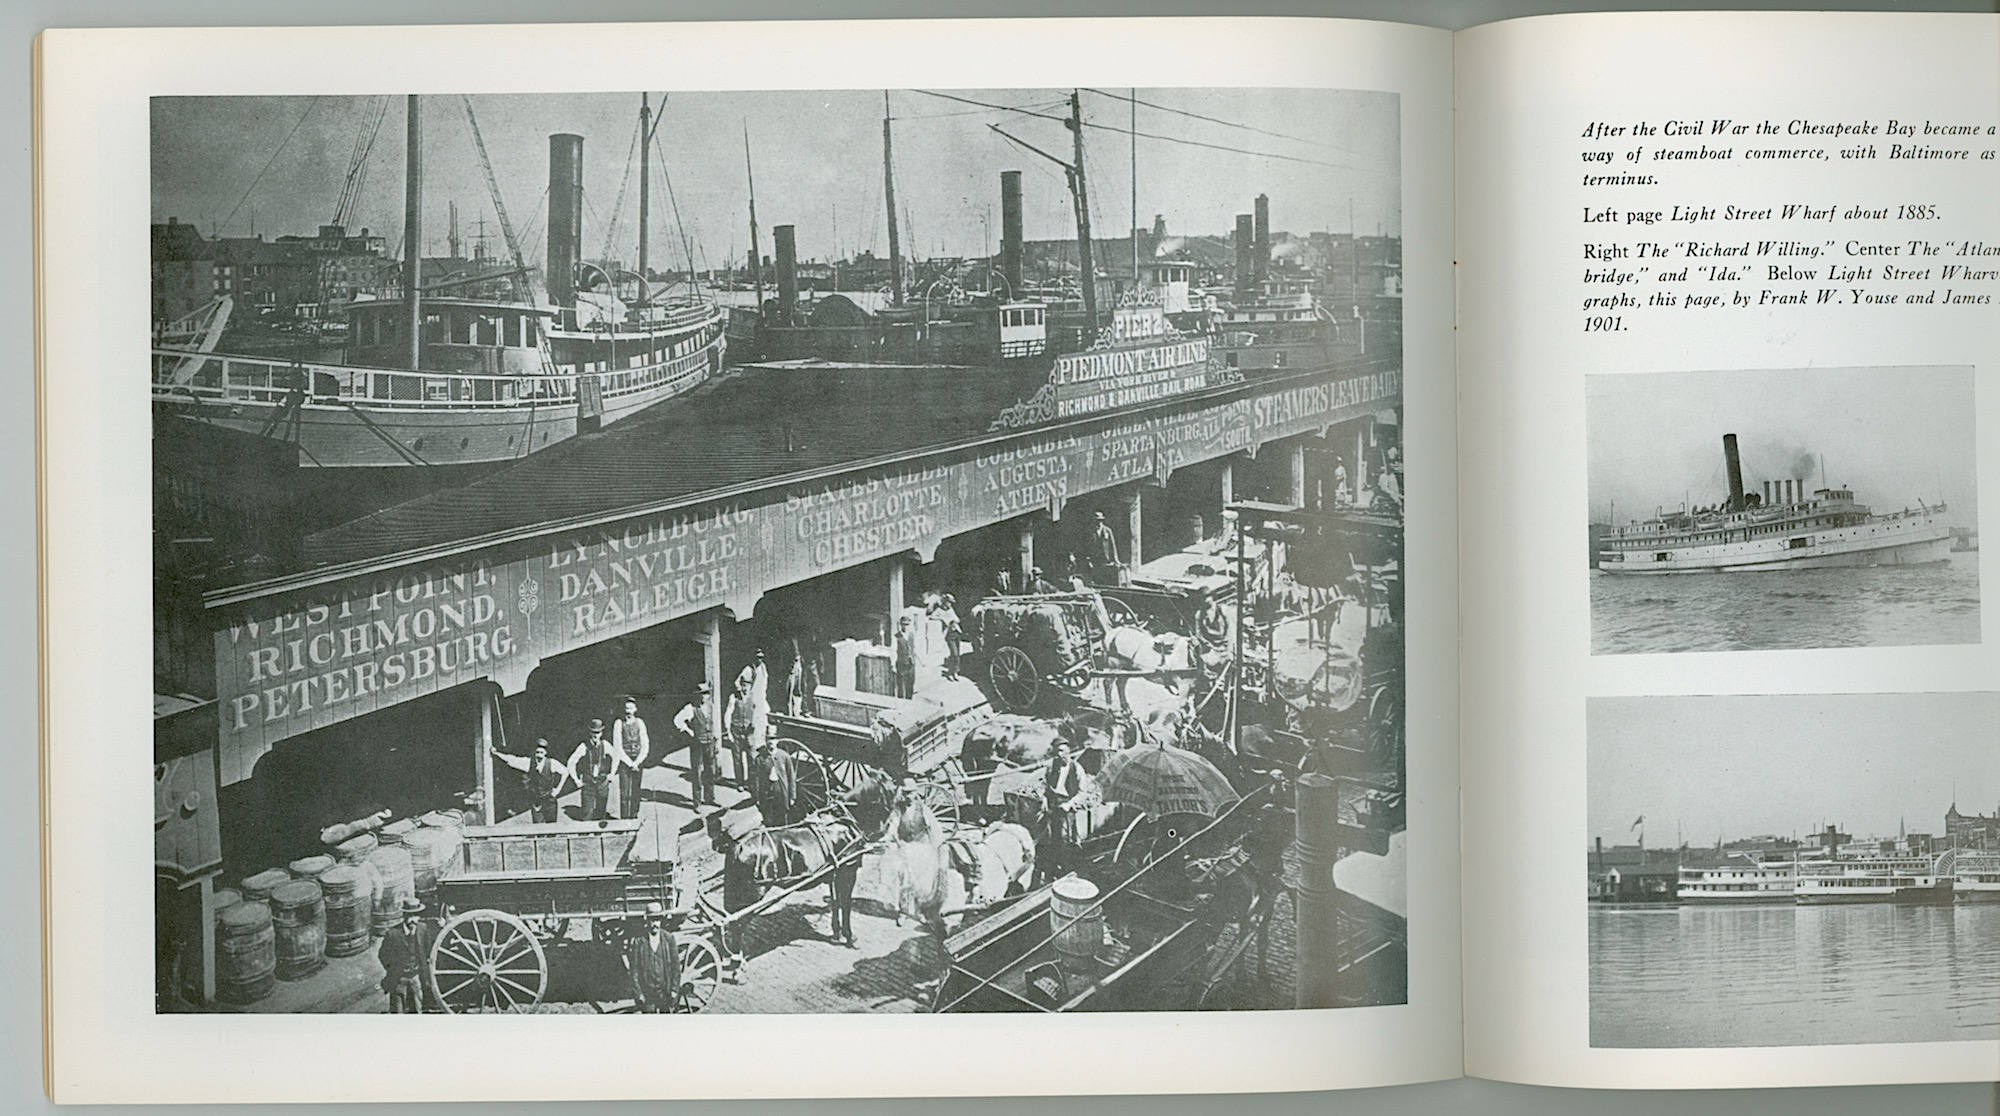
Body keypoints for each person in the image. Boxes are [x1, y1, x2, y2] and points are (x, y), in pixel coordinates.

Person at [1042, 735, 1093, 881]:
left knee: (1066, 838)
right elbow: (1045, 785)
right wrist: (1045, 799)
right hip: (1053, 803)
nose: (1059, 755)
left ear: (1068, 751)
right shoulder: (1052, 766)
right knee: (1050, 837)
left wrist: (1069, 805)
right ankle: (1051, 867)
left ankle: (1067, 869)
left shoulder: (1076, 768)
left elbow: (1083, 792)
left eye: (1061, 751)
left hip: (1067, 804)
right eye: (1056, 752)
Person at [489, 738, 569, 823]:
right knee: (537, 827)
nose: (539, 755)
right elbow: (512, 759)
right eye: (537, 752)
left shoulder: (552, 763)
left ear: (545, 753)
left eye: (541, 752)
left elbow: (565, 772)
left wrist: (558, 790)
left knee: (551, 826)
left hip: (549, 800)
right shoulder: (529, 763)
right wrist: (496, 753)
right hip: (537, 802)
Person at [377, 896, 432, 1013]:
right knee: (398, 1011)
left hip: (416, 978)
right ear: (404, 916)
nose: (413, 920)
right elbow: (383, 955)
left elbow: (428, 949)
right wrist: (394, 970)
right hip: (399, 979)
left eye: (416, 915)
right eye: (410, 916)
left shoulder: (422, 929)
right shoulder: (393, 934)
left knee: (417, 1009)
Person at [625, 903, 682, 1014]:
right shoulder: (639, 942)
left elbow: (676, 967)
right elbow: (633, 971)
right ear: (646, 920)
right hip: (647, 996)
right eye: (651, 920)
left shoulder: (669, 939)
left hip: (665, 993)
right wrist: (639, 993)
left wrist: (674, 990)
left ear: (661, 920)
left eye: (657, 920)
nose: (654, 924)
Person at [673, 681, 721, 809]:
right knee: (696, 772)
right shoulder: (690, 708)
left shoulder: (711, 707)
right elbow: (677, 720)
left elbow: (715, 723)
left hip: (709, 742)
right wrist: (689, 731)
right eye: (701, 694)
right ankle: (697, 802)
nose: (704, 696)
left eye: (706, 694)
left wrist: (716, 738)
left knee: (710, 770)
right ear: (697, 695)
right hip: (697, 743)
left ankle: (710, 798)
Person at [610, 696, 650, 821]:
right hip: (625, 762)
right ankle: (625, 819)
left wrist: (637, 762)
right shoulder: (618, 723)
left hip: (638, 761)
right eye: (626, 708)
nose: (628, 711)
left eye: (631, 708)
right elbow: (617, 746)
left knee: (636, 790)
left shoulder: (640, 723)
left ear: (635, 709)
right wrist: (629, 763)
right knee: (625, 791)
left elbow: (645, 744)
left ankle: (634, 816)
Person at [568, 718, 615, 821]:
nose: (595, 735)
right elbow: (571, 762)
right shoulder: (583, 746)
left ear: (601, 733)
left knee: (601, 813)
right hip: (588, 784)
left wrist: (612, 774)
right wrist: (576, 780)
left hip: (602, 782)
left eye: (598, 733)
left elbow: (616, 757)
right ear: (590, 732)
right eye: (593, 732)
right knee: (586, 814)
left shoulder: (605, 745)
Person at [725, 668, 763, 786]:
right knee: (737, 759)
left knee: (751, 758)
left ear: (751, 686)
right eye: (743, 685)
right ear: (740, 686)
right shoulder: (734, 697)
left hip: (749, 732)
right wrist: (728, 732)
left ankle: (751, 783)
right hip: (736, 731)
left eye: (747, 685)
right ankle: (740, 783)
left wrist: (756, 724)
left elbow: (760, 712)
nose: (745, 688)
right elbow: (728, 714)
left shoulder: (754, 698)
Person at [751, 739, 799, 826]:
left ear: (777, 741)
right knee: (767, 815)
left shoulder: (784, 756)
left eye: (773, 739)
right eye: (769, 739)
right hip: (766, 791)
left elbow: (791, 777)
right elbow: (756, 779)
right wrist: (757, 797)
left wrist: (792, 796)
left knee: (781, 815)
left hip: (780, 789)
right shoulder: (760, 758)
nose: (771, 742)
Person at [931, 593, 963, 679]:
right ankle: (950, 672)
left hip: (957, 632)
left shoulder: (951, 609)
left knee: (957, 654)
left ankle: (955, 672)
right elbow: (932, 616)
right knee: (954, 653)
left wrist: (954, 620)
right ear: (945, 602)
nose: (950, 604)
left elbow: (957, 619)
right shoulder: (939, 610)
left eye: (951, 602)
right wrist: (942, 619)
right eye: (949, 602)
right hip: (949, 634)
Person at [1089, 510, 1121, 582]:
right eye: (1097, 520)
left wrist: (1116, 558)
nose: (1099, 522)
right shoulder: (1091, 531)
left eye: (1100, 520)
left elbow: (1113, 545)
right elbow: (1088, 546)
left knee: (1106, 575)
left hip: (1106, 557)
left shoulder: (1107, 530)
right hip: (1095, 558)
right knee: (1096, 576)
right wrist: (1089, 558)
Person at [893, 611, 919, 700]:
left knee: (910, 683)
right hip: (901, 663)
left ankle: (909, 701)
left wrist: (919, 661)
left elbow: (914, 648)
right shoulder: (897, 637)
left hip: (911, 663)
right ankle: (901, 703)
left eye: (907, 624)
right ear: (901, 625)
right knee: (901, 684)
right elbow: (893, 651)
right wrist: (893, 665)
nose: (906, 626)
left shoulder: (911, 635)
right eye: (904, 624)